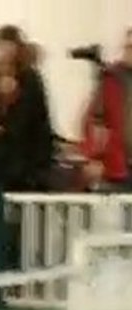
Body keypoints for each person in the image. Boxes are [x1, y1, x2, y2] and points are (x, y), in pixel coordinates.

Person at [0, 25, 54, 191]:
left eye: (8, 45)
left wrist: (9, 105)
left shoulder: (30, 81)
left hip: (26, 166)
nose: (3, 51)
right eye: (0, 46)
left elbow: (32, 120)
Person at [81, 29, 132, 190]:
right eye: (128, 47)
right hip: (118, 169)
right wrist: (94, 157)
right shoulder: (112, 80)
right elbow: (96, 121)